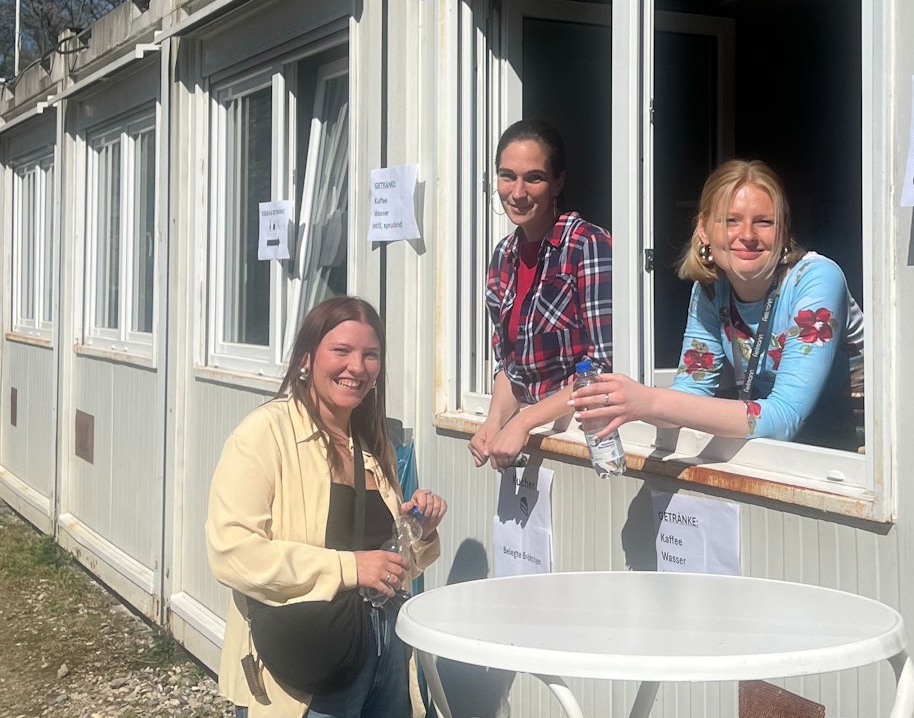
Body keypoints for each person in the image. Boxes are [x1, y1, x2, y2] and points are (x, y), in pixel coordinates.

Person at [206, 296, 449, 718]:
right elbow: (232, 553)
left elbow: (388, 566)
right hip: (309, 666)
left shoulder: (373, 445)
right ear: (307, 357)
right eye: (342, 351)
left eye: (370, 355)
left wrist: (420, 532)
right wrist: (350, 568)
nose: (357, 366)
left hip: (385, 659)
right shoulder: (265, 434)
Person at [570, 159, 863, 449]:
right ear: (704, 230)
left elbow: (784, 417)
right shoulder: (710, 289)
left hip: (855, 450)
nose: (747, 235)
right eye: (731, 220)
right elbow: (692, 391)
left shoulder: (817, 278)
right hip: (788, 449)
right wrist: (624, 406)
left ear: (783, 230)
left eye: (764, 221)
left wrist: (651, 401)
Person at [467, 118, 614, 470]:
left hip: (579, 438)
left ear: (558, 182)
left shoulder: (586, 245)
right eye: (507, 176)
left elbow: (602, 367)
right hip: (528, 440)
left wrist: (522, 422)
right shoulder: (504, 256)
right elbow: (510, 366)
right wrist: (493, 422)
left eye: (533, 177)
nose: (517, 192)